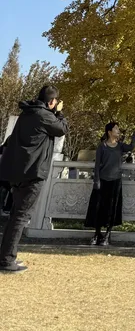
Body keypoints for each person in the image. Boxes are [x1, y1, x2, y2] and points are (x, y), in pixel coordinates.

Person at [0, 84, 68, 273]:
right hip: (33, 172)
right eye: (55, 102)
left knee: (15, 215)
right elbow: (61, 129)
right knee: (21, 217)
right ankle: (6, 260)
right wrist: (59, 113)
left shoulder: (27, 113)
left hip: (17, 172)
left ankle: (5, 255)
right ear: (52, 102)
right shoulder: (44, 115)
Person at [85, 122, 135, 246]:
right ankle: (97, 234)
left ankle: (107, 235)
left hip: (115, 181)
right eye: (116, 129)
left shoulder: (120, 146)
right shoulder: (102, 147)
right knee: (98, 207)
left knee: (112, 208)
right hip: (102, 180)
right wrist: (96, 181)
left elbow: (131, 147)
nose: (118, 131)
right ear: (109, 132)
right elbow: (97, 165)